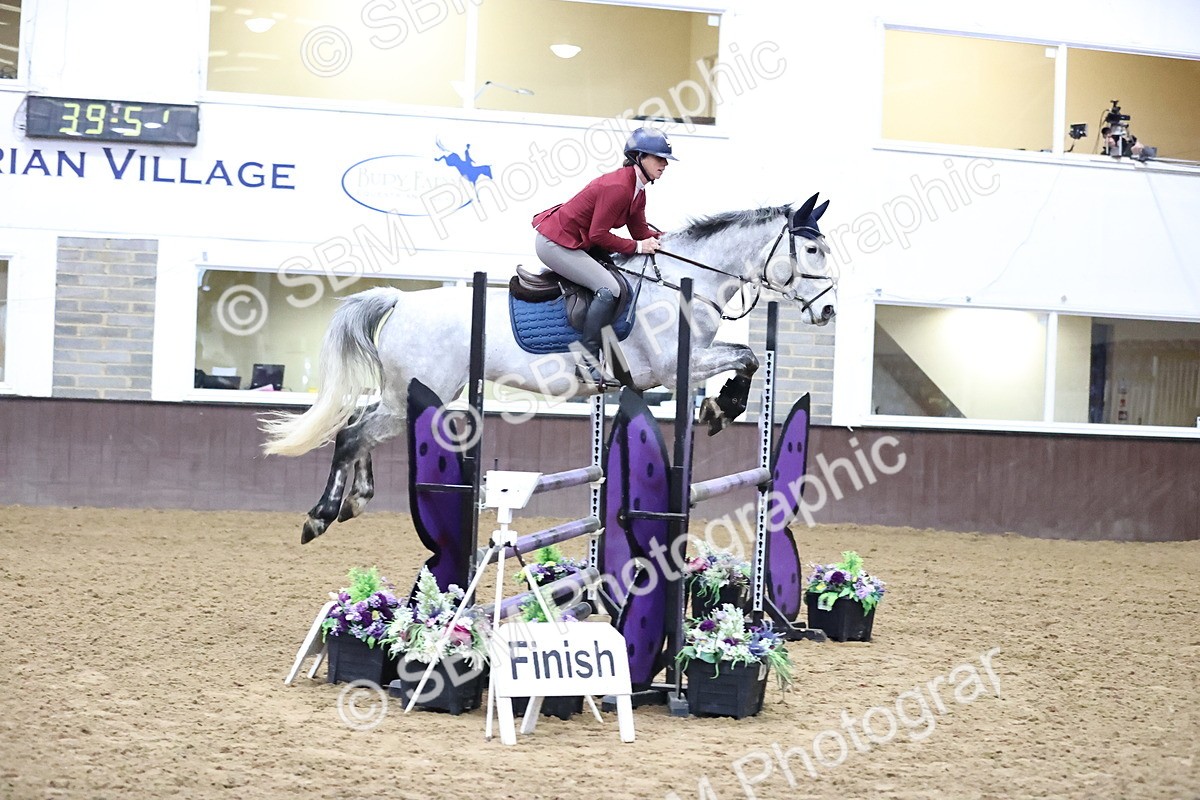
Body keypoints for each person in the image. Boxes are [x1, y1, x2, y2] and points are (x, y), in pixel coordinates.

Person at [531, 127, 677, 385]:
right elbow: (599, 235)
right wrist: (638, 247)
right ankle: (586, 362)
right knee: (608, 288)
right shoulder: (619, 187)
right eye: (658, 158)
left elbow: (640, 232)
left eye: (665, 159)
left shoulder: (637, 190)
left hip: (577, 243)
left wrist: (675, 240)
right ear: (639, 157)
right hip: (554, 243)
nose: (664, 164)